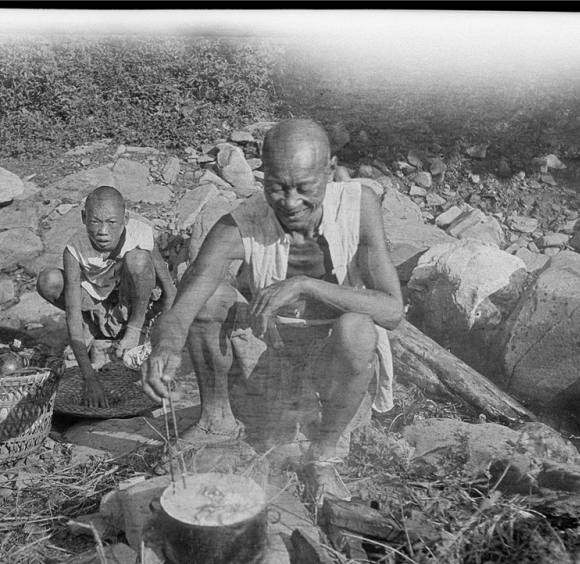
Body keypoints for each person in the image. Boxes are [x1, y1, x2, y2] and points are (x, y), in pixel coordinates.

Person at [141, 119, 403, 468]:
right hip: (272, 351)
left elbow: (391, 310)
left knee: (357, 329)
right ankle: (216, 420)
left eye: (304, 187)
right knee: (213, 297)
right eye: (277, 187)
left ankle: (326, 447)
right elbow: (181, 310)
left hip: (333, 363)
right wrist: (166, 347)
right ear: (264, 175)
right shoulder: (239, 225)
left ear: (330, 171)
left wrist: (304, 284)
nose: (291, 202)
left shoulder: (358, 205)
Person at [38, 186, 176, 408]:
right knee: (48, 280)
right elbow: (71, 314)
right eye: (95, 222)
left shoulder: (140, 233)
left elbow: (170, 292)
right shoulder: (75, 248)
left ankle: (133, 329)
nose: (103, 231)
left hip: (134, 303)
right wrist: (89, 379)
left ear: (125, 219)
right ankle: (92, 327)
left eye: (112, 223)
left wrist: (163, 341)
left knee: (138, 260)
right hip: (98, 304)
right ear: (84, 218)